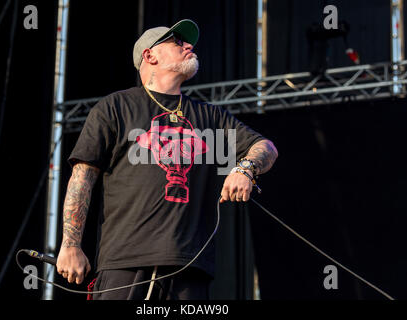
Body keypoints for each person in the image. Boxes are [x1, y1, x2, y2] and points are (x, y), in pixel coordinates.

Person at [56, 19, 278, 300]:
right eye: (177, 41)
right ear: (150, 55)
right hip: (125, 263)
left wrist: (246, 168)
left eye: (189, 42)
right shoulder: (115, 107)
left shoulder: (210, 116)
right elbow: (82, 177)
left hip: (189, 269)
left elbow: (265, 146)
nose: (189, 46)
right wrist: (70, 245)